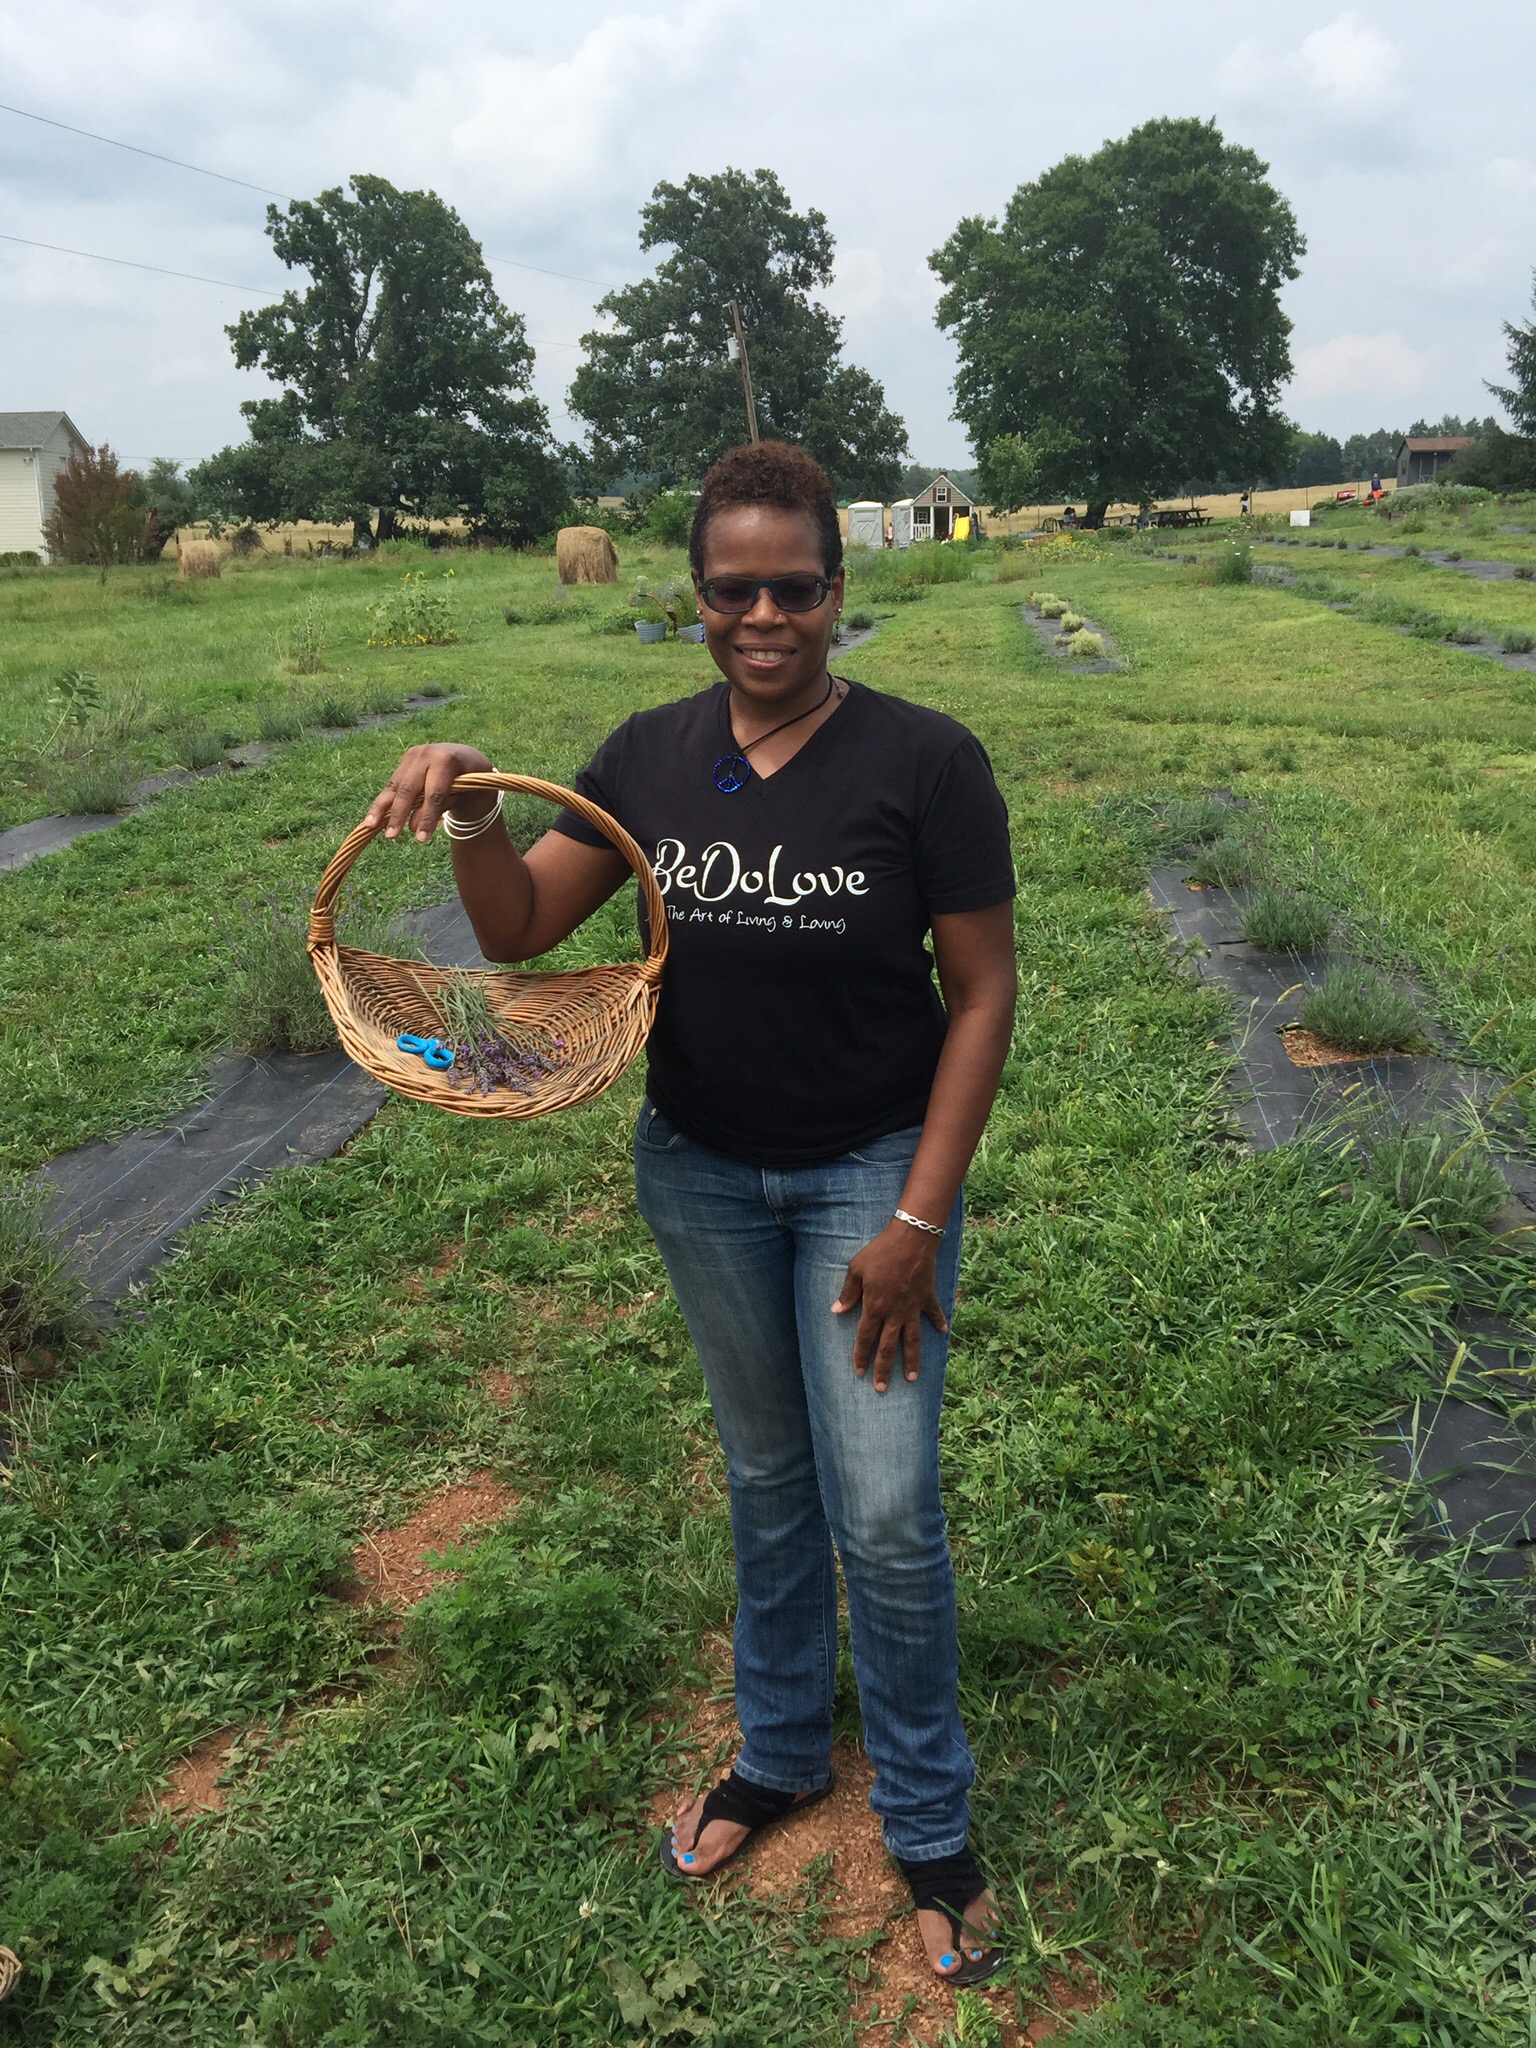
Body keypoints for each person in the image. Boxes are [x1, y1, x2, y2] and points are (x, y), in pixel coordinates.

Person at [364, 441, 1018, 1988]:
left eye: (795, 588)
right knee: (770, 1477)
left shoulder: (926, 763)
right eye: (735, 592)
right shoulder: (650, 759)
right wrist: (470, 803)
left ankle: (930, 1821)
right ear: (699, 598)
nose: (765, 617)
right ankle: (781, 1752)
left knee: (884, 1510)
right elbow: (522, 928)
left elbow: (984, 993)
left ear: (837, 590)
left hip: (870, 1170)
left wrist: (918, 1221)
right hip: (703, 1171)